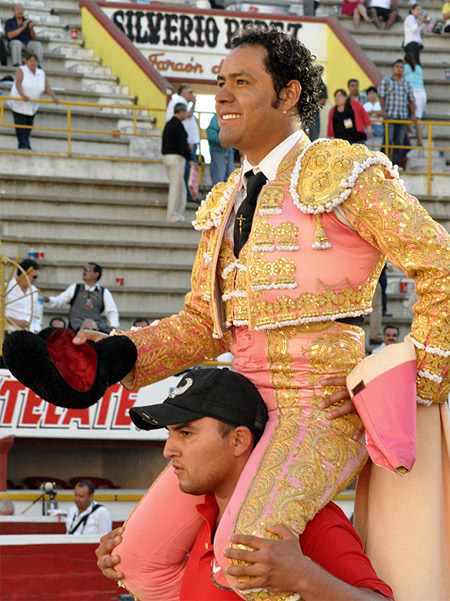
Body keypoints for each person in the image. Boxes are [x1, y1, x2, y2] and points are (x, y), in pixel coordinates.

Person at [75, 25, 450, 601]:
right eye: (220, 82)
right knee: (135, 560)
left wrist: (422, 378)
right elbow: (203, 323)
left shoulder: (343, 173)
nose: (222, 95)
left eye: (242, 82)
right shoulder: (226, 198)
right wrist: (112, 355)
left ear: (288, 94)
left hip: (320, 409)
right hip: (237, 409)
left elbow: (440, 263)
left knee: (243, 558)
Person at [97, 368, 394, 601]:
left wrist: (304, 577)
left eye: (186, 434)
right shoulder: (203, 521)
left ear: (238, 440)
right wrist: (124, 560)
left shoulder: (306, 522)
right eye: (169, 434)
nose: (168, 450)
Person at [44, 263, 119, 333]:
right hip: (75, 328)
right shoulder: (75, 288)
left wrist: (113, 326)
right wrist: (49, 300)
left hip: (95, 328)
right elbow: (61, 300)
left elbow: (111, 311)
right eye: (84, 269)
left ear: (96, 274)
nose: (84, 271)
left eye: (88, 269)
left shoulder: (104, 292)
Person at [8, 54, 59, 150]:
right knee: (21, 127)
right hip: (19, 104)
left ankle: (26, 145)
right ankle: (23, 146)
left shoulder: (41, 73)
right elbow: (18, 83)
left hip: (32, 105)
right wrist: (22, 96)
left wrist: (54, 97)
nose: (33, 63)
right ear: (26, 62)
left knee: (28, 126)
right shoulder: (22, 70)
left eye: (35, 61)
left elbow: (47, 86)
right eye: (31, 61)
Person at [378, 59, 416, 166]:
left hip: (402, 117)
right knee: (388, 141)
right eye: (397, 67)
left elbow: (411, 100)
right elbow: (381, 96)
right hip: (390, 115)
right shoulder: (387, 81)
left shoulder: (407, 84)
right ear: (392, 69)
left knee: (399, 142)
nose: (399, 69)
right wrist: (383, 111)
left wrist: (413, 115)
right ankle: (382, 164)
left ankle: (396, 165)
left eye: (401, 67)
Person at [166, 85, 200, 203]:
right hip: (186, 143)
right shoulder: (179, 102)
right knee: (188, 172)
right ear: (183, 92)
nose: (192, 95)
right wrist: (194, 103)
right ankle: (189, 196)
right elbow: (188, 115)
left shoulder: (179, 102)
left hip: (186, 142)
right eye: (190, 92)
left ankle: (188, 196)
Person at [162, 102, 194, 222]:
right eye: (185, 112)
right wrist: (190, 158)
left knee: (180, 187)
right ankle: (172, 215)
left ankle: (179, 214)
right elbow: (182, 143)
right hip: (176, 159)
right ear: (181, 112)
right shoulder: (178, 125)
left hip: (167, 157)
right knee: (176, 188)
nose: (186, 114)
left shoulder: (169, 124)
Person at [4, 258, 41, 334]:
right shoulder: (5, 289)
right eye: (34, 277)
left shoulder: (34, 291)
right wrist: (17, 322)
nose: (35, 280)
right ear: (24, 274)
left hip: (28, 333)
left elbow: (36, 314)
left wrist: (36, 329)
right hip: (9, 332)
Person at [403, 53, 426, 146]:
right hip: (422, 93)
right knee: (417, 118)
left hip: (412, 92)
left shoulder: (405, 67)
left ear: (404, 61)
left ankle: (414, 134)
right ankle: (418, 138)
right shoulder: (419, 68)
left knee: (407, 115)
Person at [207, 113, 235, 186]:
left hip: (228, 149)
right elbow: (211, 133)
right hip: (219, 150)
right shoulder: (216, 118)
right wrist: (220, 142)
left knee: (229, 177)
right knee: (219, 178)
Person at [307, 67, 327, 142]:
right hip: (303, 112)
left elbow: (323, 101)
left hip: (314, 113)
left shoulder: (322, 85)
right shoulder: (307, 83)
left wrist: (312, 104)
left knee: (314, 137)